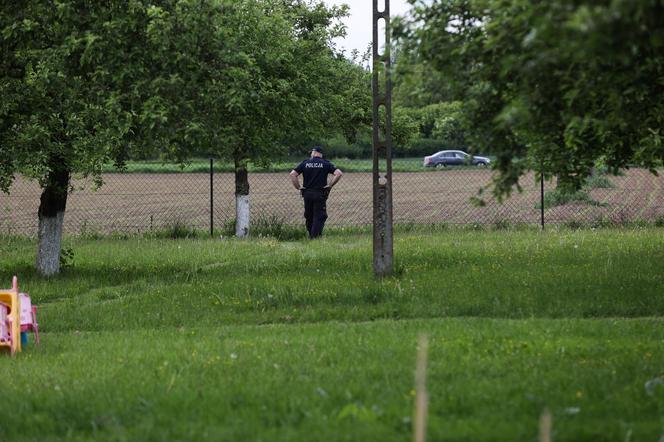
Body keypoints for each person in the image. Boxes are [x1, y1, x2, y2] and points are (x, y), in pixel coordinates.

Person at [289, 146, 343, 238]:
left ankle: (311, 235)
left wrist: (299, 188)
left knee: (309, 215)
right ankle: (315, 237)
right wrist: (330, 186)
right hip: (320, 193)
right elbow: (338, 173)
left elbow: (292, 174)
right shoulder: (326, 163)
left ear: (315, 153)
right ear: (320, 154)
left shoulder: (305, 163)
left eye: (311, 152)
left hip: (307, 193)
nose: (311, 154)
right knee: (319, 216)